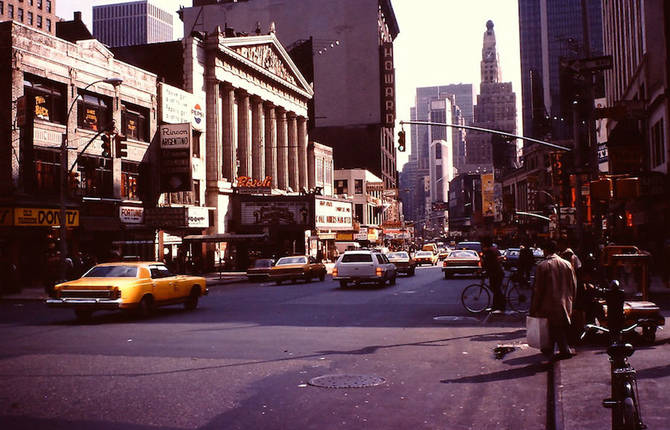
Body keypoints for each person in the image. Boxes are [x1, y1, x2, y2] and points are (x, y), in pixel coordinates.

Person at [530, 240, 577, 359]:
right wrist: (572, 301)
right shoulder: (567, 264)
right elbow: (574, 285)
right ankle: (561, 350)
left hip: (548, 304)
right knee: (558, 328)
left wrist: (534, 307)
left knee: (551, 329)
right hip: (565, 302)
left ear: (545, 250)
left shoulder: (543, 266)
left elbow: (538, 290)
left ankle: (558, 350)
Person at [481, 237, 505, 311]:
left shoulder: (490, 251)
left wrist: (485, 272)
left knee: (496, 290)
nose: (482, 246)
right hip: (497, 272)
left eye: (482, 244)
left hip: (496, 273)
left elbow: (490, 264)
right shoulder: (493, 249)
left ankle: (501, 307)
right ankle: (495, 307)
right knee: (495, 290)